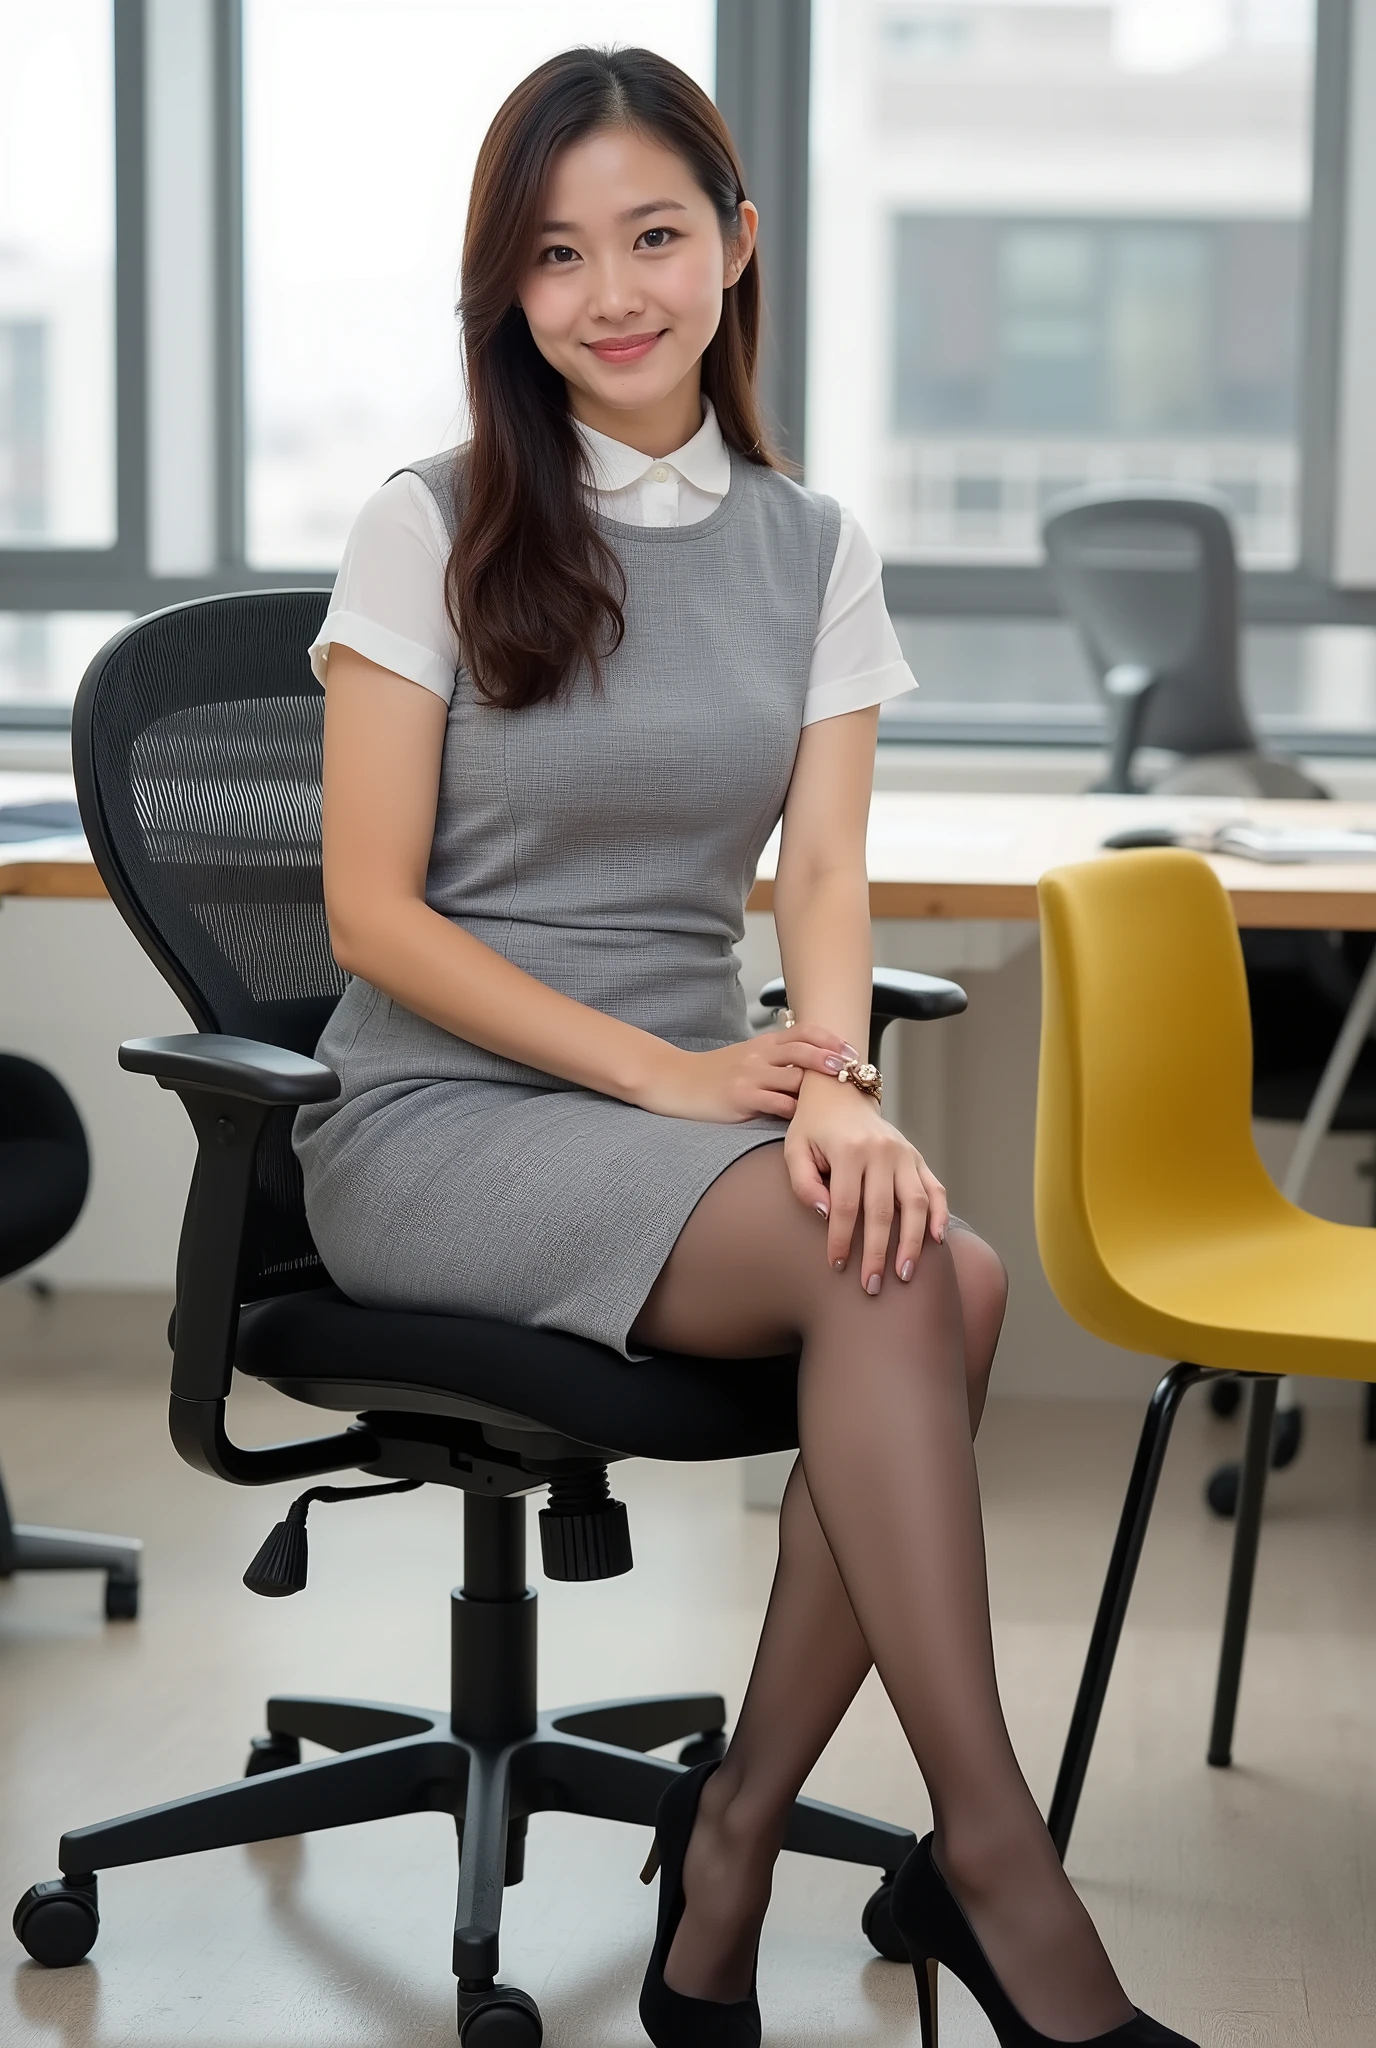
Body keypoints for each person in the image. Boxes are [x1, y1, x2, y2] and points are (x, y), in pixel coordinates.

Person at [294, 43, 1194, 2048]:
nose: (606, 291)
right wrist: (692, 1080)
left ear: (736, 248)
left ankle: (732, 1846)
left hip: (692, 1105)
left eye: (650, 235)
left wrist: (830, 1076)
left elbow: (822, 882)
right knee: (915, 1278)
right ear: (503, 292)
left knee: (931, 1264)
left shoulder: (810, 547)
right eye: (551, 253)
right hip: (441, 1117)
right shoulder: (423, 526)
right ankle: (989, 1866)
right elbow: (372, 918)